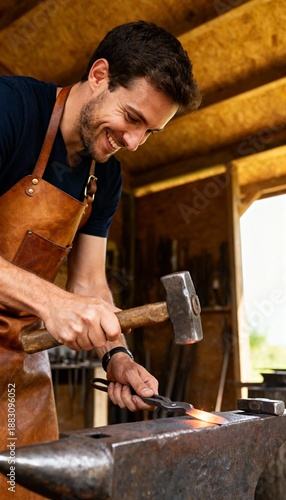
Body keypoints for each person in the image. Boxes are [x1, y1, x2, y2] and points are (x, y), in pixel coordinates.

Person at [0, 19, 201, 499]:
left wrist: (117, 356)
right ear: (98, 74)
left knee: (20, 489)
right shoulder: (10, 110)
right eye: (132, 118)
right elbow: (64, 298)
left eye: (149, 132)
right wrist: (52, 302)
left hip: (14, 372)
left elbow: (89, 282)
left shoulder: (102, 177)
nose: (133, 142)